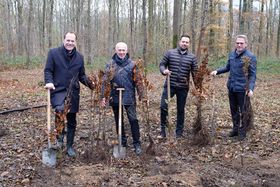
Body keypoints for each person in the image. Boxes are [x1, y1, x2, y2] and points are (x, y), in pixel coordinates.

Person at [44, 32, 95, 157]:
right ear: (64, 40)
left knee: (72, 119)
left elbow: (81, 75)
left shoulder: (79, 57)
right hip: (58, 90)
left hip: (73, 92)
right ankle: (60, 140)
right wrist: (49, 82)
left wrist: (92, 84)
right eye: (68, 40)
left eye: (72, 41)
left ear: (75, 42)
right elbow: (48, 70)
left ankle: (69, 146)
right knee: (60, 110)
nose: (70, 43)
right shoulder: (53, 53)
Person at [211, 34, 257, 140]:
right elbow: (227, 67)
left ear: (246, 44)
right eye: (237, 43)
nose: (239, 45)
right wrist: (217, 71)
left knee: (244, 110)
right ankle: (235, 129)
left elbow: (253, 75)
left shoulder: (250, 57)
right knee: (233, 110)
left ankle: (243, 131)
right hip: (231, 87)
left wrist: (250, 88)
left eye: (241, 43)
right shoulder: (232, 54)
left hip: (243, 89)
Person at [101, 42, 142, 156]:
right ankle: (122, 141)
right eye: (119, 50)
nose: (121, 52)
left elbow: (138, 81)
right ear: (116, 50)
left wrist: (142, 96)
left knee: (133, 120)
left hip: (129, 96)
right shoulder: (110, 64)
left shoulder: (132, 64)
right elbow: (105, 81)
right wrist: (103, 96)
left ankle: (137, 143)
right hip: (114, 96)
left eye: (123, 50)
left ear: (126, 50)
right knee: (118, 120)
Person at [159, 34, 198, 138]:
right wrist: (164, 70)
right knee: (163, 106)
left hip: (183, 87)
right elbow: (162, 64)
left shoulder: (192, 57)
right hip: (169, 85)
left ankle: (179, 132)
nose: (184, 43)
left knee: (180, 110)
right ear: (179, 42)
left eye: (187, 42)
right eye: (183, 41)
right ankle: (163, 129)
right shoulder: (170, 53)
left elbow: (195, 73)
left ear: (189, 44)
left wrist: (198, 88)